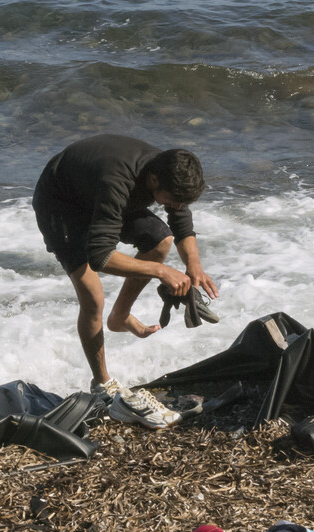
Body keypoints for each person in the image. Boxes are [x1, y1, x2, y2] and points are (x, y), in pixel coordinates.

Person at [31, 135, 219, 425]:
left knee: (160, 242)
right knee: (93, 297)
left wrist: (193, 264)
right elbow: (101, 256)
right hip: (61, 204)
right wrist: (162, 272)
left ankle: (120, 316)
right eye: (174, 200)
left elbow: (181, 223)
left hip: (96, 196)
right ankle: (103, 383)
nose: (177, 207)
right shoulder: (118, 180)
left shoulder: (169, 170)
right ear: (154, 181)